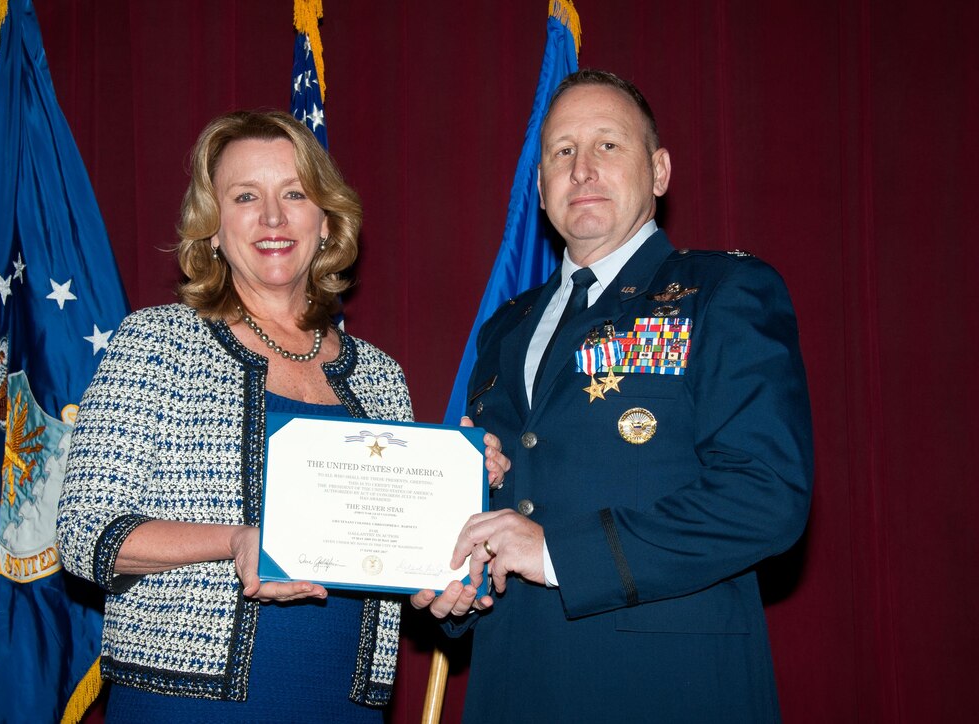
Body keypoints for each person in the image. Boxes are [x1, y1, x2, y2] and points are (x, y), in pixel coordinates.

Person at [57, 110, 509, 722]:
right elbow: (87, 535)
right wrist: (236, 541)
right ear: (212, 229)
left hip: (343, 705)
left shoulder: (379, 376)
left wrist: (461, 498)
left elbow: (403, 562)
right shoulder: (155, 344)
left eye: (294, 194)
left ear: (326, 222)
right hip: (186, 704)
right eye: (246, 196)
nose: (272, 218)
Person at [412, 70, 814, 722]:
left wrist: (553, 553)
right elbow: (501, 500)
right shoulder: (504, 329)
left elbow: (764, 495)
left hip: (664, 687)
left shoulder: (723, 293)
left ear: (658, 171)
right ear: (540, 190)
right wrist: (458, 580)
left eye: (608, 145)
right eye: (562, 152)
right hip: (512, 681)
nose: (582, 169)